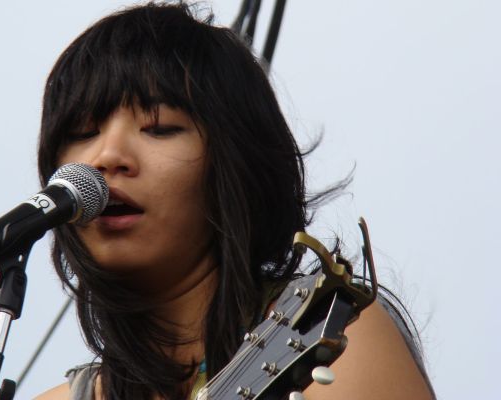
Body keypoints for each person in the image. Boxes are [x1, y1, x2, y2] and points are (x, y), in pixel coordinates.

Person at [34, 2, 435, 399]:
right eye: (83, 133)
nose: (107, 157)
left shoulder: (328, 336)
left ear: (234, 164)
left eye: (159, 128)